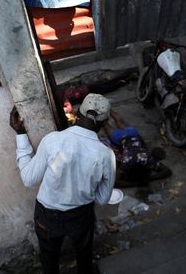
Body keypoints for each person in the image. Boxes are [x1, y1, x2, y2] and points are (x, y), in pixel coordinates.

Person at [10, 93, 116, 274]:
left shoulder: (53, 140)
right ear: (104, 123)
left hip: (47, 215)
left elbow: (28, 178)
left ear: (77, 113)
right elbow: (103, 198)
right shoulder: (107, 155)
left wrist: (21, 134)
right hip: (80, 216)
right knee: (84, 255)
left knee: (49, 259)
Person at [102, 110, 171, 187]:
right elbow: (115, 182)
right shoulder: (129, 162)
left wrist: (150, 178)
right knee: (105, 124)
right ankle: (104, 110)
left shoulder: (148, 159)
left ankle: (108, 109)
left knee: (119, 121)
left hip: (133, 134)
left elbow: (167, 171)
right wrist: (137, 183)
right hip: (121, 138)